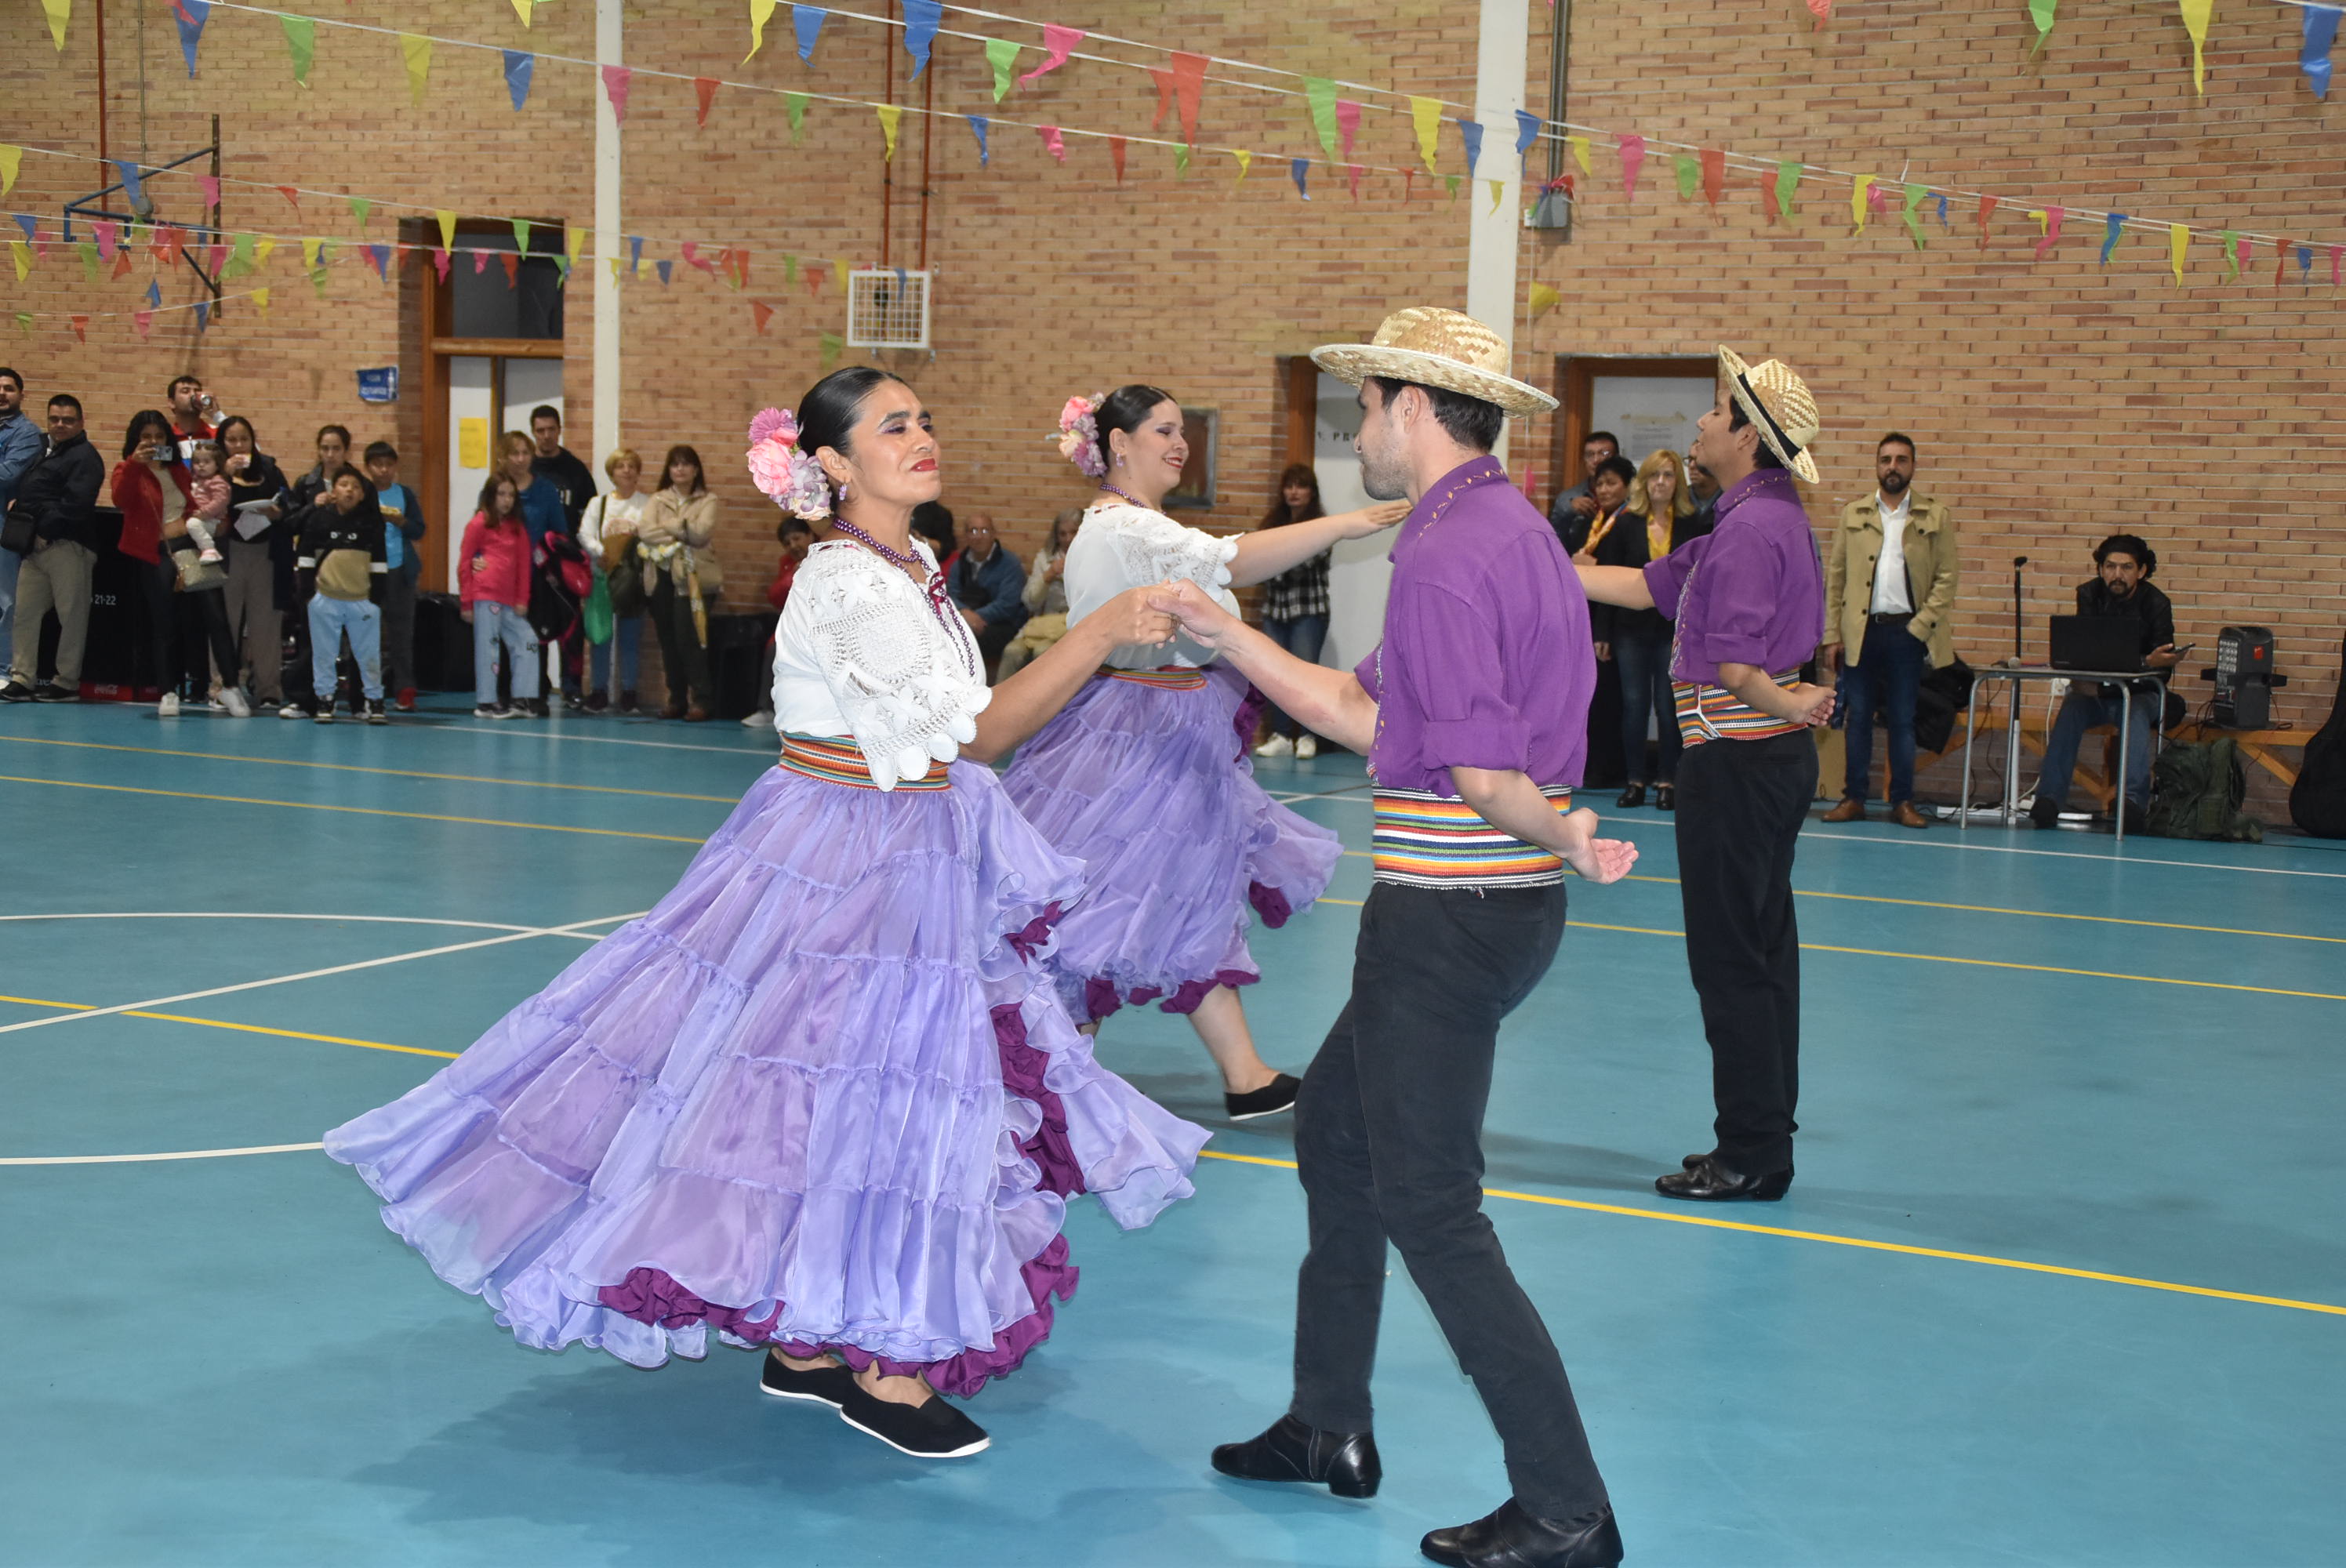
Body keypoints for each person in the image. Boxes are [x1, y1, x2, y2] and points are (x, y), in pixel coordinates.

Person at [325, 368, 1208, 1465]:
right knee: (870, 1090)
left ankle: (815, 1348)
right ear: (833, 463)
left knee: (840, 1088)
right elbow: (972, 735)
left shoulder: (910, 563)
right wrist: (1094, 633)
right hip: (844, 851)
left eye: (925, 419)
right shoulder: (845, 582)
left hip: (905, 844)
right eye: (895, 426)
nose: (923, 436)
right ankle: (882, 1362)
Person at [1164, 307, 1635, 1568]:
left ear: (1412, 409)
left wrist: (1563, 831)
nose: (1353, 431)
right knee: (1336, 1134)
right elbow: (1365, 708)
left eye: (1361, 408)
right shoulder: (1490, 525)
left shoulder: (1447, 550)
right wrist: (1230, 634)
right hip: (1468, 909)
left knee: (1432, 1203)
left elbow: (1472, 765)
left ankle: (1567, 1509)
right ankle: (1329, 1425)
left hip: (1453, 912)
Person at [1001, 384, 1398, 1122]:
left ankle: (1242, 1075)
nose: (1179, 444)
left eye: (1182, 430)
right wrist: (1348, 521)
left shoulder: (1140, 523)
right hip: (1132, 736)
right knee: (1110, 904)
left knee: (1184, 893)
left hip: (1170, 726)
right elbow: (1237, 560)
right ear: (1119, 445)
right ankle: (1062, 1076)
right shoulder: (1124, 527)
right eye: (1162, 430)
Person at [1575, 346, 1833, 1207]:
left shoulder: (1750, 532)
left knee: (1731, 962)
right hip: (1760, 761)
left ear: (1749, 438)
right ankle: (1760, 1139)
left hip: (1738, 762)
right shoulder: (1755, 520)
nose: (1700, 421)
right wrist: (1543, 566)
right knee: (1761, 952)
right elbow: (1648, 588)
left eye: (1719, 412)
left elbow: (1730, 665)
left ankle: (1750, 1152)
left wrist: (1786, 703)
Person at [1822, 434, 1959, 829]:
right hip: (1861, 632)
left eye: (1901, 460)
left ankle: (1903, 802)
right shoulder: (1854, 514)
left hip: (1908, 634)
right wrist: (1834, 633)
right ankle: (1854, 798)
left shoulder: (1935, 515)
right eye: (1886, 460)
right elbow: (1837, 579)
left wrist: (1921, 626)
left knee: (1902, 719)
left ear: (1913, 466)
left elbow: (1947, 578)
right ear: (1876, 466)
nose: (1893, 467)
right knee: (1858, 716)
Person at [1587, 449, 1712, 809]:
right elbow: (1607, 580)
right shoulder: (1626, 523)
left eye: (1669, 476)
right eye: (1655, 475)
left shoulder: (1693, 524)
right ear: (1644, 482)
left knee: (1669, 707)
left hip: (1675, 632)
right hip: (1630, 631)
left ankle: (1667, 780)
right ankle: (1635, 780)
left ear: (1678, 483)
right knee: (1634, 706)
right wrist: (1603, 633)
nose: (1661, 482)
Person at [2030, 533, 2181, 832]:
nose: (2117, 574)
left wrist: (2133, 670)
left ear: (2142, 571)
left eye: (2126, 567)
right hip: (2097, 695)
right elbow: (2087, 654)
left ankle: (2133, 804)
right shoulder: (2088, 594)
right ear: (2101, 569)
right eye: (2110, 566)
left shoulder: (2157, 603)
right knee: (2072, 707)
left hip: (2140, 695)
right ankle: (2048, 799)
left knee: (2134, 712)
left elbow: (2161, 672)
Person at [112, 411, 247, 719]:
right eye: (146, 437)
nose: (153, 442)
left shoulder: (178, 469)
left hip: (191, 546)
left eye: (159, 436)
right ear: (135, 440)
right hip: (157, 553)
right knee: (165, 624)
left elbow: (194, 504)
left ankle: (230, 686)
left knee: (217, 617)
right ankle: (168, 691)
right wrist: (135, 463)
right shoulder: (126, 469)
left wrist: (208, 521)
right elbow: (121, 499)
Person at [1252, 464, 1334, 760]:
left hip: (1308, 612)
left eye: (1301, 486)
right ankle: (1282, 735)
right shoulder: (1271, 523)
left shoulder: (1322, 526)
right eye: (1289, 486)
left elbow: (1300, 566)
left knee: (1305, 675)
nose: (1294, 492)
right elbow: (1257, 562)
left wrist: (1275, 559)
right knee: (1275, 675)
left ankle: (1308, 735)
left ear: (1312, 492)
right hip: (1276, 610)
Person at [297, 463, 390, 724]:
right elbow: (304, 558)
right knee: (324, 654)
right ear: (333, 490)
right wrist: (309, 596)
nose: (350, 490)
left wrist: (375, 601)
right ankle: (325, 700)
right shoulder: (319, 519)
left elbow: (379, 564)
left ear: (362, 494)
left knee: (368, 654)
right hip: (325, 600)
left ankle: (374, 700)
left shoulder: (371, 523)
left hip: (362, 601)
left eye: (356, 487)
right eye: (344, 485)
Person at [216, 416, 293, 713]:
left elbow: (289, 504)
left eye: (244, 439)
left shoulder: (270, 470)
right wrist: (223, 475)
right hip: (229, 553)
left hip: (266, 553)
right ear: (222, 444)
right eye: (232, 440)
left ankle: (269, 690)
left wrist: (277, 512)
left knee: (266, 625)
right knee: (225, 622)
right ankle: (219, 687)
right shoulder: (214, 472)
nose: (238, 446)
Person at [276, 425, 354, 718]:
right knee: (310, 635)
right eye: (325, 448)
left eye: (336, 449)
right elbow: (290, 524)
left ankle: (357, 701)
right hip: (312, 569)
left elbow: (369, 523)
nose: (330, 455)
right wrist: (313, 506)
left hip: (348, 569)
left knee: (352, 637)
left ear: (346, 451)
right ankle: (303, 699)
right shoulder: (306, 484)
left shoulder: (358, 485)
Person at [639, 445, 721, 720]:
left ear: (696, 469)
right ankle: (676, 699)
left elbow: (700, 534)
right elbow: (646, 532)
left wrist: (672, 527)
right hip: (661, 579)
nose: (680, 469)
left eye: (686, 464)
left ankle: (702, 700)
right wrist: (681, 528)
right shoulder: (658, 499)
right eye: (675, 464)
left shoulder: (708, 500)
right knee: (669, 641)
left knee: (690, 640)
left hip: (694, 579)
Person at [458, 473, 540, 720]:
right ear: (491, 496)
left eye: (511, 495)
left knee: (528, 640)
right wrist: (467, 601)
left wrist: (522, 599)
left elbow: (524, 565)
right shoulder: (479, 523)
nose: (506, 500)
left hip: (509, 600)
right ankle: (486, 701)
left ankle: (521, 697)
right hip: (485, 595)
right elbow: (464, 563)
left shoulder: (518, 529)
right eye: (501, 494)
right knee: (488, 648)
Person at [580, 448, 650, 713]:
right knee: (600, 637)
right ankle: (599, 691)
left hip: (632, 581)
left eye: (631, 466)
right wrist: (600, 553)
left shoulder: (646, 503)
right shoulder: (598, 504)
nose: (627, 470)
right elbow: (585, 535)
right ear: (612, 472)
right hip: (603, 579)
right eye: (621, 466)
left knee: (630, 639)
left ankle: (629, 692)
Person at [363, 442, 429, 712]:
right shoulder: (362, 493)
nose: (383, 470)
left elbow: (419, 530)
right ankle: (370, 689)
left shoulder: (405, 494)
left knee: (402, 633)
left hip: (400, 570)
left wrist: (401, 522)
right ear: (368, 468)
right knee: (368, 634)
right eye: (378, 465)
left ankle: (405, 689)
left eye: (389, 465)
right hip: (368, 571)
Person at [742, 514, 815, 729]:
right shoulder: (787, 564)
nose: (793, 546)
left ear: (810, 535)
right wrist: (790, 577)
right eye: (787, 543)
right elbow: (775, 598)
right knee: (774, 647)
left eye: (797, 538)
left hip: (824, 625)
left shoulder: (826, 553)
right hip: (796, 625)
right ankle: (766, 708)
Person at [997, 507, 1079, 680]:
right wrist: (1047, 576)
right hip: (1043, 626)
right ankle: (997, 701)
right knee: (1012, 651)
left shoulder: (1092, 559)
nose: (1068, 539)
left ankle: (1039, 705)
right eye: (1062, 534)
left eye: (1073, 532)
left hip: (1073, 628)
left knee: (1043, 652)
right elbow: (1030, 602)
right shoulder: (1045, 558)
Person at [945, 511, 1028, 675]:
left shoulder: (1010, 563)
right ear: (967, 535)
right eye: (973, 531)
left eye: (984, 530)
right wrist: (965, 614)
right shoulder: (959, 564)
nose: (979, 536)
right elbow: (950, 595)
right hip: (967, 622)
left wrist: (975, 618)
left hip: (1003, 625)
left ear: (993, 534)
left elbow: (1007, 604)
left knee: (965, 641)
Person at [0, 368, 44, 662]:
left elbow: (9, 474)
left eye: (9, 388)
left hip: (5, 526)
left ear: (21, 395)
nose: (2, 393)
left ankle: (4, 667)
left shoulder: (27, 433)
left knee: (6, 601)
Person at [1545, 429, 1620, 555]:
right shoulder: (1568, 498)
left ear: (1617, 457)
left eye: (1604, 453)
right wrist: (1569, 510)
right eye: (1590, 454)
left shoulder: (1631, 495)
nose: (1596, 460)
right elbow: (1553, 542)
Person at [499, 430, 568, 546]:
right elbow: (482, 529)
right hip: (501, 560)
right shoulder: (494, 487)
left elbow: (559, 532)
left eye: (526, 453)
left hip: (537, 560)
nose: (521, 459)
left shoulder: (546, 489)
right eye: (515, 454)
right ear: (504, 457)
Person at [180, 441, 230, 565]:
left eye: (207, 462)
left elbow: (221, 500)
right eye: (197, 462)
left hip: (212, 520)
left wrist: (204, 513)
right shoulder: (195, 480)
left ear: (217, 465)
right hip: (201, 518)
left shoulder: (217, 481)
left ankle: (209, 549)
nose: (201, 465)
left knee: (192, 524)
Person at [164, 374, 220, 460]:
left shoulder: (216, 434)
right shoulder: (165, 439)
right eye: (185, 391)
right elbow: (158, 470)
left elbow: (240, 442)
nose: (193, 395)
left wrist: (217, 415)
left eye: (197, 392)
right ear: (172, 403)